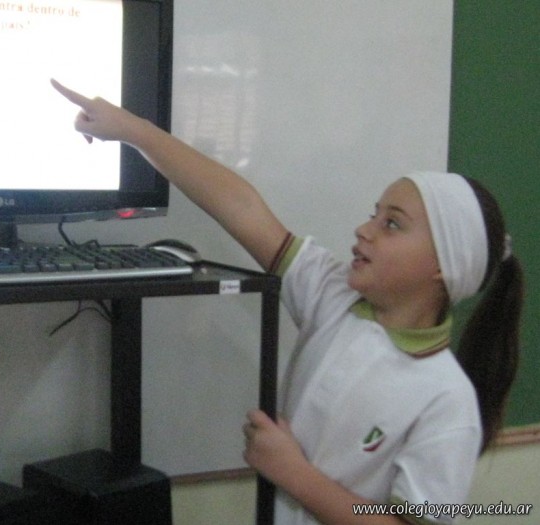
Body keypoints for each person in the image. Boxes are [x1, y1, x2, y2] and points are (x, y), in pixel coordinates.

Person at [50, 79, 524, 525]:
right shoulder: (333, 296)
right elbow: (240, 207)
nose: (364, 229)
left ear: (443, 266)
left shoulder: (447, 402)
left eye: (393, 224)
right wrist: (136, 132)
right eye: (374, 214)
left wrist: (292, 472)